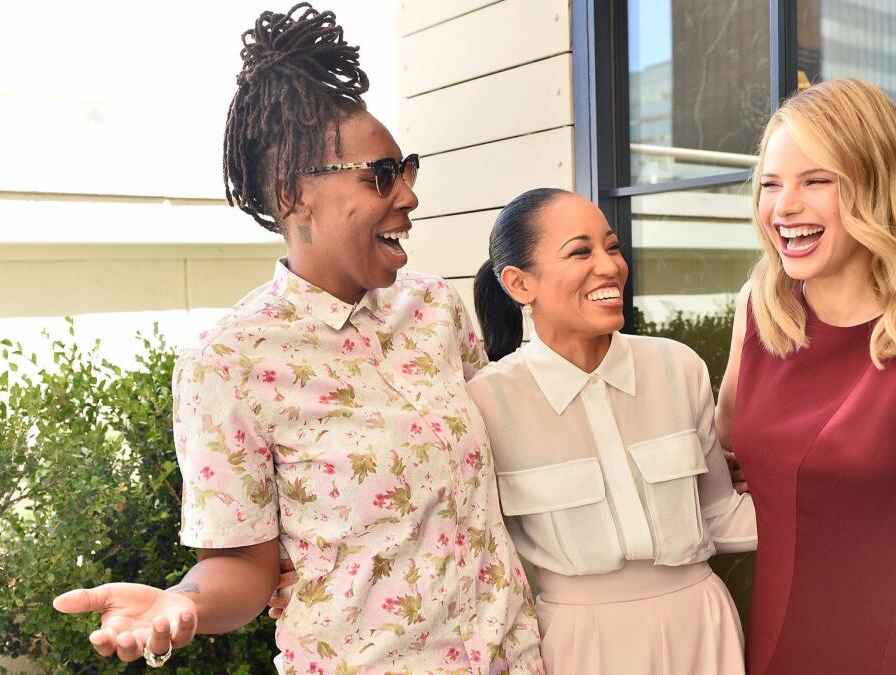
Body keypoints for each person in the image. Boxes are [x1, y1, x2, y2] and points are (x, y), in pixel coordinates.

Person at [52, 6, 543, 673]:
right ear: (294, 195)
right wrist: (182, 600)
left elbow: (503, 465)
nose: (409, 196)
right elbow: (243, 568)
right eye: (380, 175)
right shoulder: (228, 361)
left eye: (408, 169)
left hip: (516, 657)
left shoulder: (435, 307)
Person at [717, 78, 896, 674]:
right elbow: (728, 442)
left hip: (892, 644)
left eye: (816, 181)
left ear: (877, 187)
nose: (784, 207)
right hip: (769, 638)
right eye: (771, 185)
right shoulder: (758, 310)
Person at [467, 188, 758, 674]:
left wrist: (847, 505)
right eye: (581, 251)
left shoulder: (677, 367)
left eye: (613, 247)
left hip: (702, 628)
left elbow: (720, 514)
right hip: (578, 647)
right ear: (519, 284)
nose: (610, 266)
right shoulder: (485, 403)